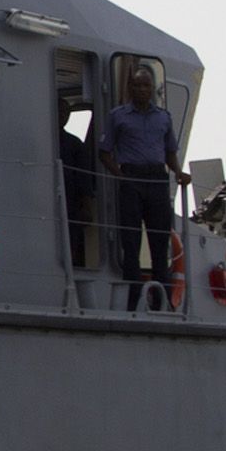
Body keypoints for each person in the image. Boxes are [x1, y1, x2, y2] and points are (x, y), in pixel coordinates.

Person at [98, 64, 190, 310]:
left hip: (157, 180)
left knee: (160, 241)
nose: (141, 89)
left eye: (146, 85)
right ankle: (131, 302)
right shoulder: (118, 116)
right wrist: (121, 176)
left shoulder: (163, 117)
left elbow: (170, 151)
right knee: (131, 242)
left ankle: (163, 302)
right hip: (131, 178)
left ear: (152, 89)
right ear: (130, 88)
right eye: (137, 85)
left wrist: (179, 172)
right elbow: (104, 153)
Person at [58, 98, 93, 266]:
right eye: (59, 111)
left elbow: (84, 178)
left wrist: (87, 205)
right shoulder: (42, 139)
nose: (63, 115)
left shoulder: (75, 143)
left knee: (72, 240)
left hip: (71, 199)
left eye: (66, 112)